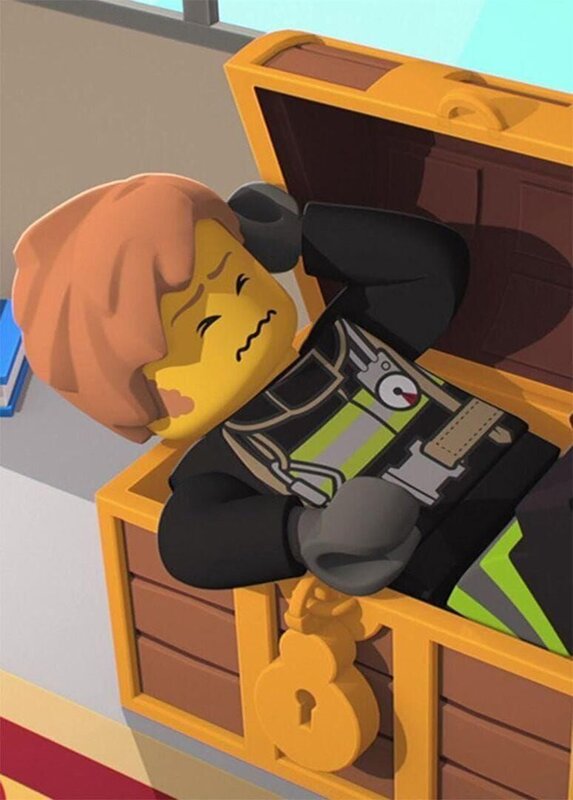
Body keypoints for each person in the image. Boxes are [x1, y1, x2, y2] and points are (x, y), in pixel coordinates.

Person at [12, 174, 558, 601]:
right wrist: (309, 532)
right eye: (202, 326)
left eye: (241, 277)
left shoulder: (348, 341)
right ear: (134, 396)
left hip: (549, 475)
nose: (240, 313)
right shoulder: (219, 469)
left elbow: (432, 266)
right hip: (486, 574)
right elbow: (188, 544)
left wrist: (299, 237)